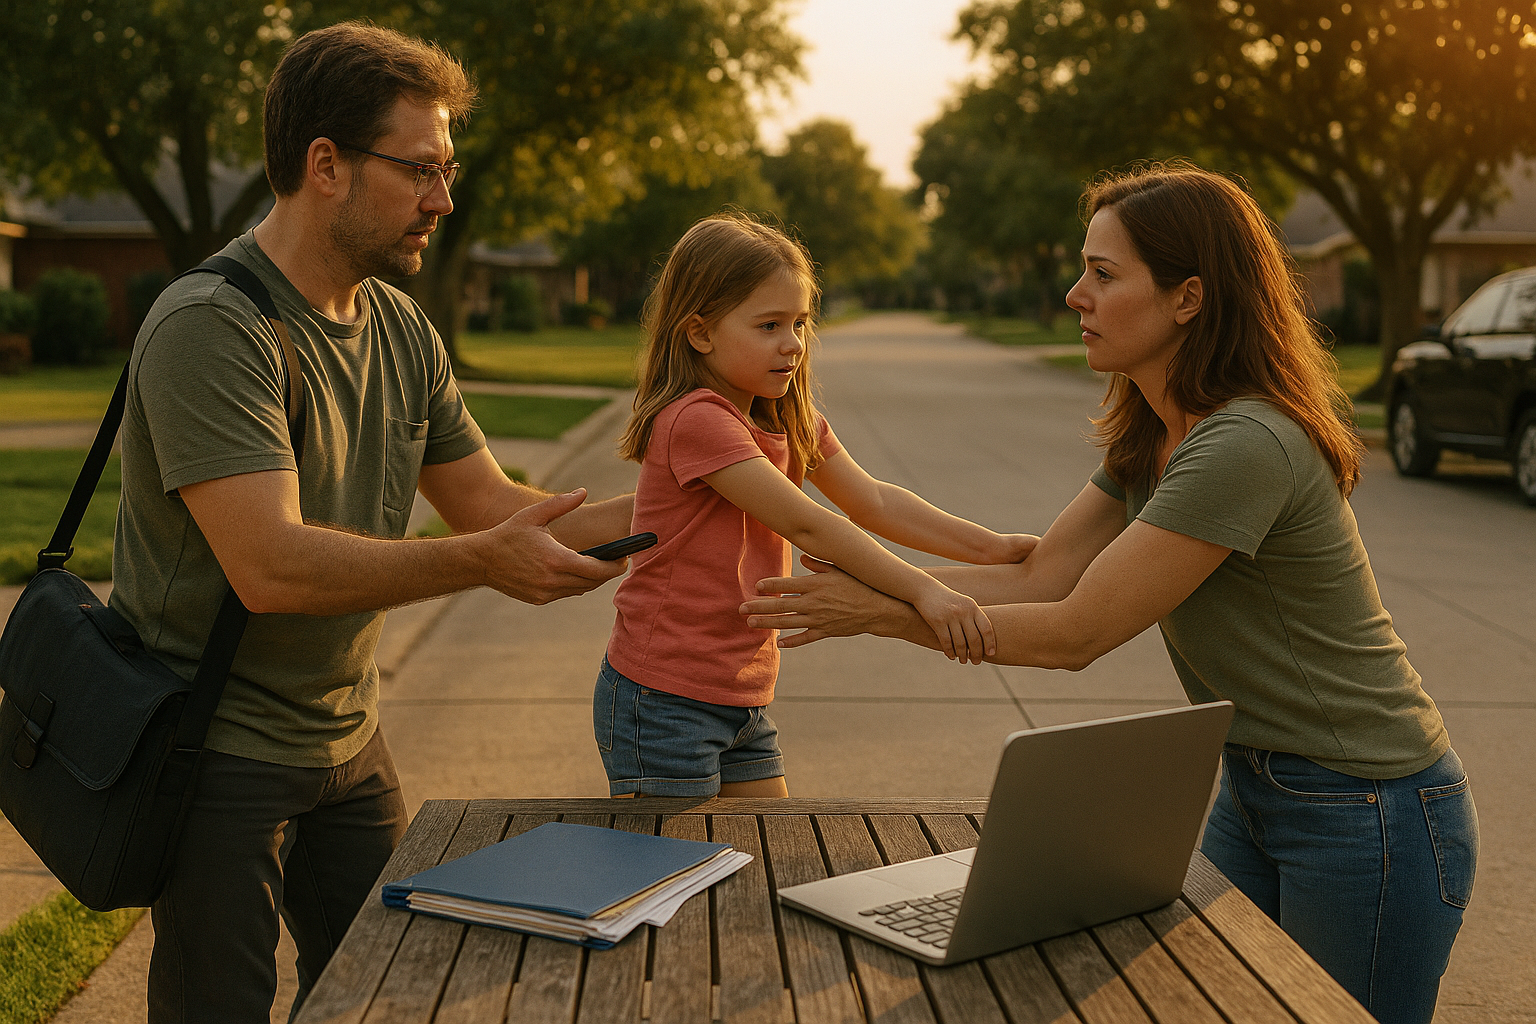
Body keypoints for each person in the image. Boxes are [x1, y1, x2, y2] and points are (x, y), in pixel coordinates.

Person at [741, 163, 1477, 1024]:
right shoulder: (1156, 431)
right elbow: (1039, 575)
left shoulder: (1244, 443)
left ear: (1188, 298)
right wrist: (872, 579)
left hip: (1369, 810)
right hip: (1257, 788)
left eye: (1103, 273)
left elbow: (1074, 631)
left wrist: (877, 613)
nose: (1073, 294)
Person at [114, 22, 632, 1023]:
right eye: (422, 170)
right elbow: (272, 567)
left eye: (449, 169)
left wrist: (707, 495)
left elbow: (495, 505)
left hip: (348, 740)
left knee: (388, 992)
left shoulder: (399, 324)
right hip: (217, 750)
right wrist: (482, 563)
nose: (445, 198)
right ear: (326, 166)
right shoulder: (213, 328)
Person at [595, 214, 1035, 798]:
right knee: (676, 879)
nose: (793, 345)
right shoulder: (695, 420)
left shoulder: (787, 418)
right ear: (699, 333)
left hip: (741, 695)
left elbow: (876, 501)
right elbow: (811, 525)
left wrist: (994, 549)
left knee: (769, 858)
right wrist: (926, 591)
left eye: (800, 323)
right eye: (769, 325)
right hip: (663, 697)